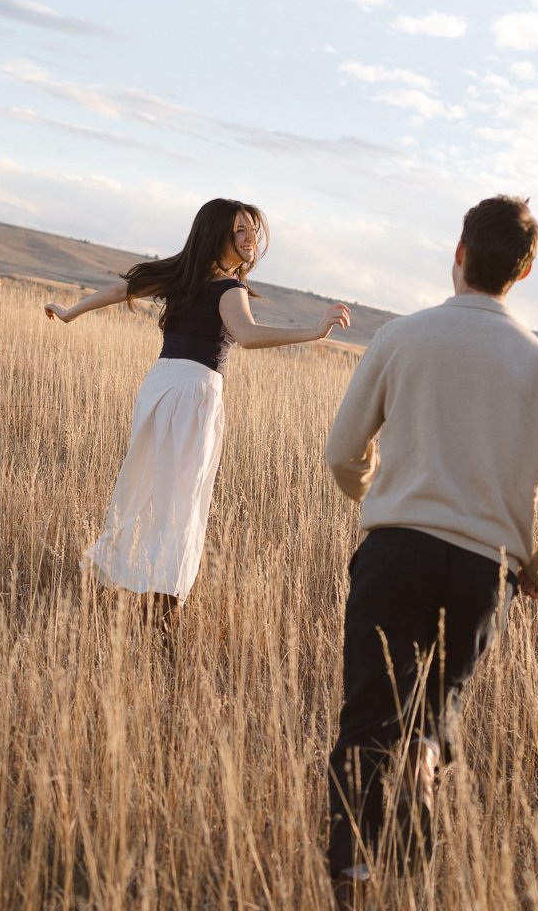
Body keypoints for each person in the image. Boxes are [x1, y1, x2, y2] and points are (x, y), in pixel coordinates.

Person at [322, 194, 538, 911]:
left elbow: (341, 451)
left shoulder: (402, 337)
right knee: (431, 720)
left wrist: (368, 489)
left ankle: (354, 887)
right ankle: (411, 883)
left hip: (396, 548)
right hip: (484, 569)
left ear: (458, 250)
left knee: (367, 720)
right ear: (526, 270)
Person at [46, 197, 350, 626]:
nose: (251, 240)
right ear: (218, 236)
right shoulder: (229, 288)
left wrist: (70, 313)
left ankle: (136, 581)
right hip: (192, 393)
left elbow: (122, 291)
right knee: (183, 502)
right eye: (240, 231)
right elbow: (246, 334)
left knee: (152, 487)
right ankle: (162, 605)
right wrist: (314, 332)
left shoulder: (182, 276)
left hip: (159, 386)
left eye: (254, 231)